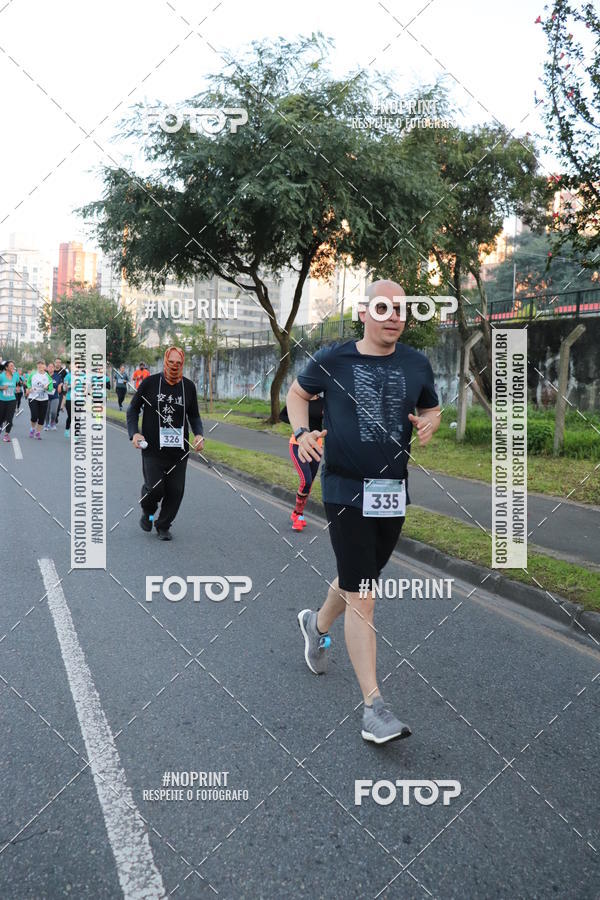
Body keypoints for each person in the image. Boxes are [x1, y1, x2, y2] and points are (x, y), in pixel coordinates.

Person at [286, 280, 441, 745]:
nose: (393, 316)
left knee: (359, 578)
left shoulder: (417, 363)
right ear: (363, 312)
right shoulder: (334, 360)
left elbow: (431, 408)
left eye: (400, 309)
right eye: (383, 308)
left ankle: (315, 625)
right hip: (344, 489)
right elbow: (297, 395)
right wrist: (302, 433)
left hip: (392, 493)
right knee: (366, 593)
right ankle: (374, 708)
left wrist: (429, 423)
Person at [127, 346, 204, 541]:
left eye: (179, 363)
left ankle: (163, 525)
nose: (174, 366)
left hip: (178, 451)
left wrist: (199, 434)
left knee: (175, 491)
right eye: (171, 362)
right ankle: (148, 511)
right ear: (165, 361)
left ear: (183, 363)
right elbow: (133, 409)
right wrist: (135, 433)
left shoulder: (188, 387)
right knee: (155, 488)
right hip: (153, 449)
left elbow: (194, 416)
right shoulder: (150, 383)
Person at [280, 394, 324, 531]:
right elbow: (283, 415)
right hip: (297, 444)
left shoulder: (323, 402)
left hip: (316, 446)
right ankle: (298, 514)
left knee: (309, 482)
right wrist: (298, 428)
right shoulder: (298, 399)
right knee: (306, 480)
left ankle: (298, 512)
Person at [26, 360, 54, 440]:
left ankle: (38, 433)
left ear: (44, 366)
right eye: (39, 364)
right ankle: (32, 429)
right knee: (34, 416)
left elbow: (51, 387)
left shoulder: (47, 376)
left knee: (42, 418)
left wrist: (47, 387)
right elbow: (28, 382)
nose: (40, 366)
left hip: (44, 399)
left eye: (42, 364)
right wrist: (29, 388)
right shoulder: (33, 373)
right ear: (37, 366)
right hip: (33, 397)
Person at [0, 360, 19, 441]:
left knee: (9, 418)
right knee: (1, 418)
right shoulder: (1, 376)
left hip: (12, 400)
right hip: (2, 400)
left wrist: (18, 388)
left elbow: (18, 383)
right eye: (11, 366)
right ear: (6, 367)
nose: (13, 367)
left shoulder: (15, 376)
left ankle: (7, 434)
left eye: (13, 366)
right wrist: (2, 388)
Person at [44, 363, 61, 430]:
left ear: (54, 368)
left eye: (52, 367)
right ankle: (46, 424)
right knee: (46, 412)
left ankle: (52, 423)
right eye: (49, 367)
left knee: (53, 412)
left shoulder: (57, 376)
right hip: (46, 397)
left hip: (55, 397)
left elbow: (59, 385)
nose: (50, 368)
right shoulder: (44, 376)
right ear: (47, 368)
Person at [63, 369, 72, 437]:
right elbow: (64, 388)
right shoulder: (68, 376)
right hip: (69, 399)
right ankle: (67, 429)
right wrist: (71, 386)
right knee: (70, 416)